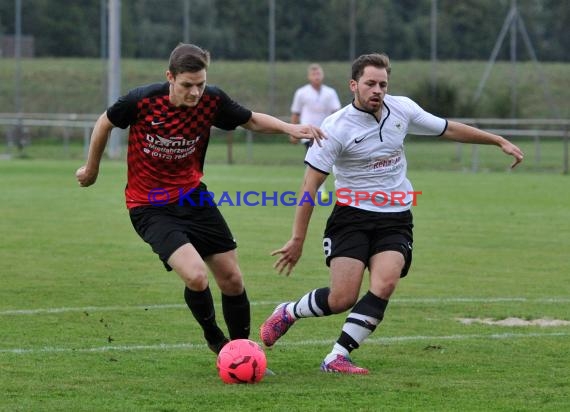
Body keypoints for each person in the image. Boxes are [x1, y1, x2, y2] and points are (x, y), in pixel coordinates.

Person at [260, 53, 524, 374]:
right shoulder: (335, 127)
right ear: (354, 85)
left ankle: (337, 356)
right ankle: (289, 312)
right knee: (342, 298)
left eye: (383, 84)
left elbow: (447, 129)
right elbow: (309, 187)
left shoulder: (402, 109)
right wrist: (297, 239)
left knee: (384, 284)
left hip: (395, 217)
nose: (378, 90)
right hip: (351, 217)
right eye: (370, 83)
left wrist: (497, 141)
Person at [75, 43, 323, 356]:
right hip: (149, 206)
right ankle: (217, 342)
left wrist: (291, 127)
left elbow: (250, 120)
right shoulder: (142, 100)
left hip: (193, 199)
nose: (195, 93)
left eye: (200, 84)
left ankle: (244, 350)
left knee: (232, 278)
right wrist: (92, 168)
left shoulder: (211, 100)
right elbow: (105, 122)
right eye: (187, 85)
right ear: (170, 77)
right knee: (195, 275)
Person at [289, 64, 341, 202]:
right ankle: (320, 190)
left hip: (326, 132)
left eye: (318, 74)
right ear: (309, 77)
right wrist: (293, 132)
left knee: (324, 161)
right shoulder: (301, 93)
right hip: (308, 132)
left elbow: (337, 113)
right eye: (313, 74)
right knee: (313, 161)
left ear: (322, 75)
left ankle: (310, 190)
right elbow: (296, 113)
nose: (316, 76)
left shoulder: (330, 93)